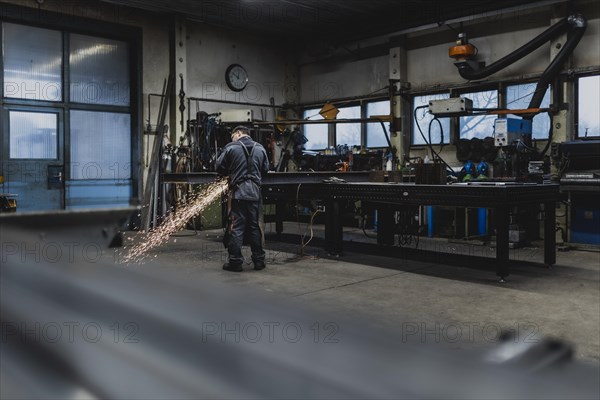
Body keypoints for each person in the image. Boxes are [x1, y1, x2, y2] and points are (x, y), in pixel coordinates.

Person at [216, 126, 270, 272]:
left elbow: (219, 166)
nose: (232, 139)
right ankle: (259, 261)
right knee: (254, 226)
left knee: (237, 227)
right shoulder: (261, 148)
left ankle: (235, 262)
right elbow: (265, 169)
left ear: (238, 133)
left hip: (238, 193)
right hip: (254, 193)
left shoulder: (231, 147)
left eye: (233, 136)